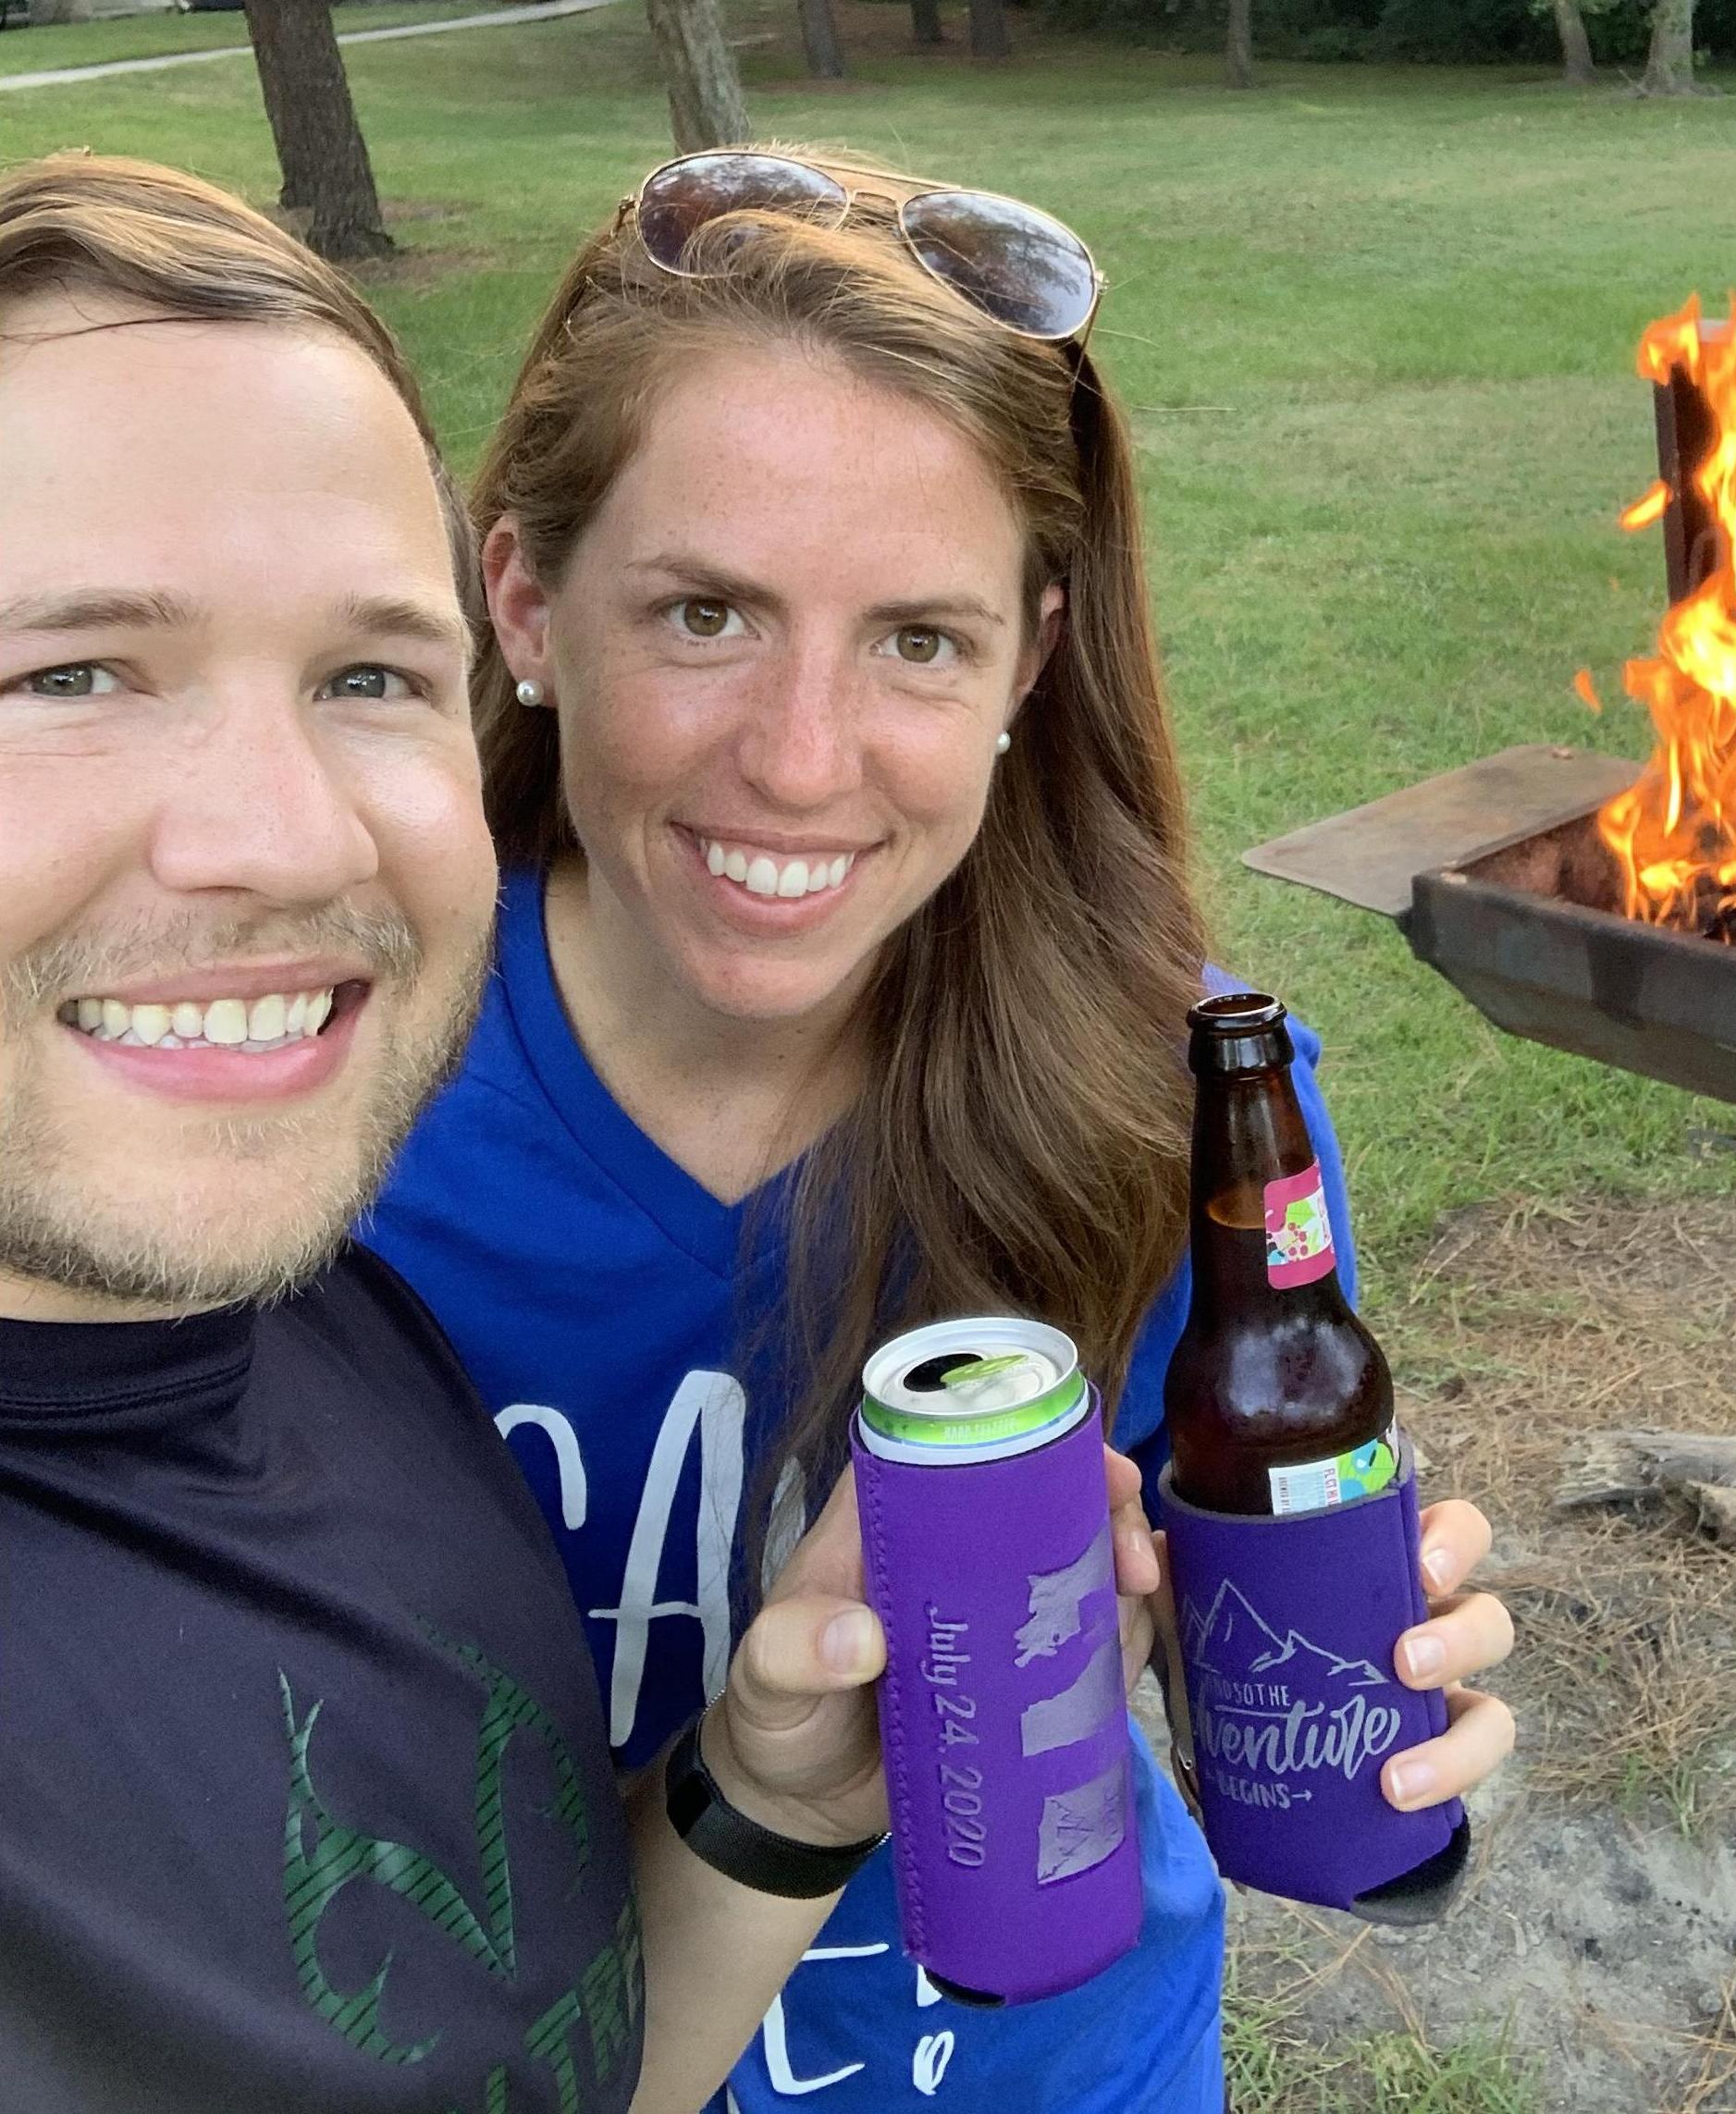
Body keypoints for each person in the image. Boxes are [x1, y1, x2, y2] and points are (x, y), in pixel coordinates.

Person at [367, 147, 1518, 2113]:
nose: (804, 762)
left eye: (918, 639)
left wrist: (1351, 1712)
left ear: (1030, 661)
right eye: (708, 612)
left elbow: (1209, 1644)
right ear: (526, 601)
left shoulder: (1172, 1105)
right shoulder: (327, 1114)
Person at [0, 152, 965, 2114]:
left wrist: (769, 1797)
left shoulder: (333, 1324)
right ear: (545, 617)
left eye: (366, 675)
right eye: (70, 673)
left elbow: (537, 2059)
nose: (281, 836)